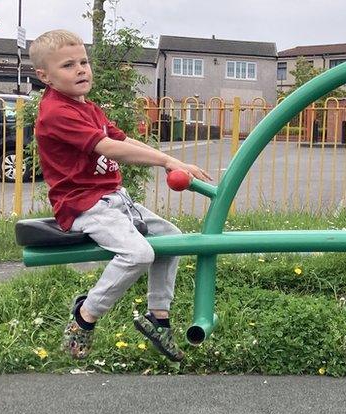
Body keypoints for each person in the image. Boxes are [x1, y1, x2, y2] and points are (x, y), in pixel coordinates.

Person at [30, 29, 211, 362]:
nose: (81, 69)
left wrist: (173, 160)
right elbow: (110, 148)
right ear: (45, 77)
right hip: (84, 205)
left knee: (173, 238)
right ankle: (85, 317)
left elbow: (124, 140)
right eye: (68, 65)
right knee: (138, 255)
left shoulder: (90, 108)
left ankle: (159, 318)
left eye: (83, 61)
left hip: (114, 198)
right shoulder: (57, 112)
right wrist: (167, 160)